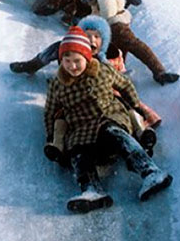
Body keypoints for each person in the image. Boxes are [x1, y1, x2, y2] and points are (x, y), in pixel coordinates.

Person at [44, 26, 172, 213]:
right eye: (67, 60)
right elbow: (50, 111)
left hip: (108, 117)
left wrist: (134, 105)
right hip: (81, 130)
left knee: (115, 133)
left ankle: (150, 172)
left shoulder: (102, 71)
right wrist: (51, 136)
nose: (72, 66)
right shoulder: (58, 84)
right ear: (61, 61)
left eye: (77, 60)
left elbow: (125, 84)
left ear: (87, 58)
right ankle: (91, 190)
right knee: (78, 152)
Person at [11, 15, 162, 152]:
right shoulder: (68, 47)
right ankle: (59, 146)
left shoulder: (108, 57)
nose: (92, 40)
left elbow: (122, 80)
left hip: (106, 97)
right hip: (74, 93)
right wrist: (31, 65)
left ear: (104, 40)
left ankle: (140, 137)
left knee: (123, 110)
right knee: (63, 117)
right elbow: (47, 56)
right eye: (88, 36)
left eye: (97, 36)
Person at [78, 0, 180, 85]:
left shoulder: (119, 30)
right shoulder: (108, 23)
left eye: (95, 11)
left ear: (105, 11)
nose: (92, 13)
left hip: (111, 70)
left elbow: (139, 48)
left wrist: (159, 71)